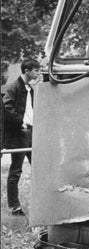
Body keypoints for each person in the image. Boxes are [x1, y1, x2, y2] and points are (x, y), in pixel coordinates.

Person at [2, 59, 41, 215]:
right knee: (16, 170)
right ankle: (14, 206)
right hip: (20, 135)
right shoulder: (13, 87)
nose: (38, 73)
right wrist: (21, 123)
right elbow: (7, 108)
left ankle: (41, 202)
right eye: (36, 70)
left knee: (39, 168)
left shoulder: (29, 89)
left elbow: (30, 110)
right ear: (27, 71)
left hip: (32, 133)